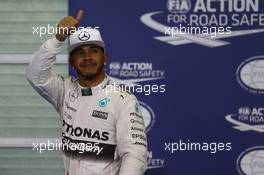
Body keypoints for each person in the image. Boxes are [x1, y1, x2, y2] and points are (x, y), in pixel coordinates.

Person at [26, 10, 148, 175]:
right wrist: (58, 39)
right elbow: (35, 75)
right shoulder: (65, 89)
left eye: (94, 51)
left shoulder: (123, 100)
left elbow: (135, 155)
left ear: (105, 58)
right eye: (80, 53)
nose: (87, 57)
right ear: (71, 62)